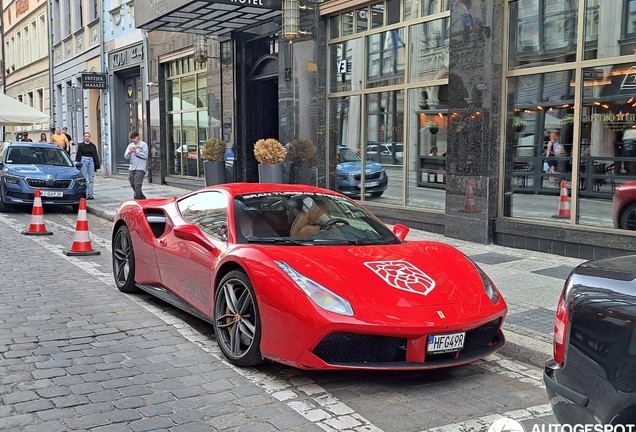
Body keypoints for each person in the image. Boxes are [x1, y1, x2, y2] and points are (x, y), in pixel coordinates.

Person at [76, 132, 100, 200]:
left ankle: (90, 194)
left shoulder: (92, 146)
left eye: (88, 136)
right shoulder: (81, 145)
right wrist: (77, 164)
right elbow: (78, 155)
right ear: (83, 137)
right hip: (83, 161)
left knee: (91, 178)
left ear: (90, 137)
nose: (87, 137)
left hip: (91, 161)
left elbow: (95, 155)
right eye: (85, 136)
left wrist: (97, 164)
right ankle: (84, 194)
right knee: (84, 178)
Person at [124, 131, 148, 199]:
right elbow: (125, 156)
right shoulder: (130, 145)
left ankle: (137, 199)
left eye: (134, 138)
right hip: (132, 167)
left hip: (140, 168)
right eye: (132, 139)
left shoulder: (143, 145)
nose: (133, 140)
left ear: (138, 137)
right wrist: (129, 152)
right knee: (132, 183)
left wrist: (136, 151)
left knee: (137, 184)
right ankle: (142, 198)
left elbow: (145, 156)